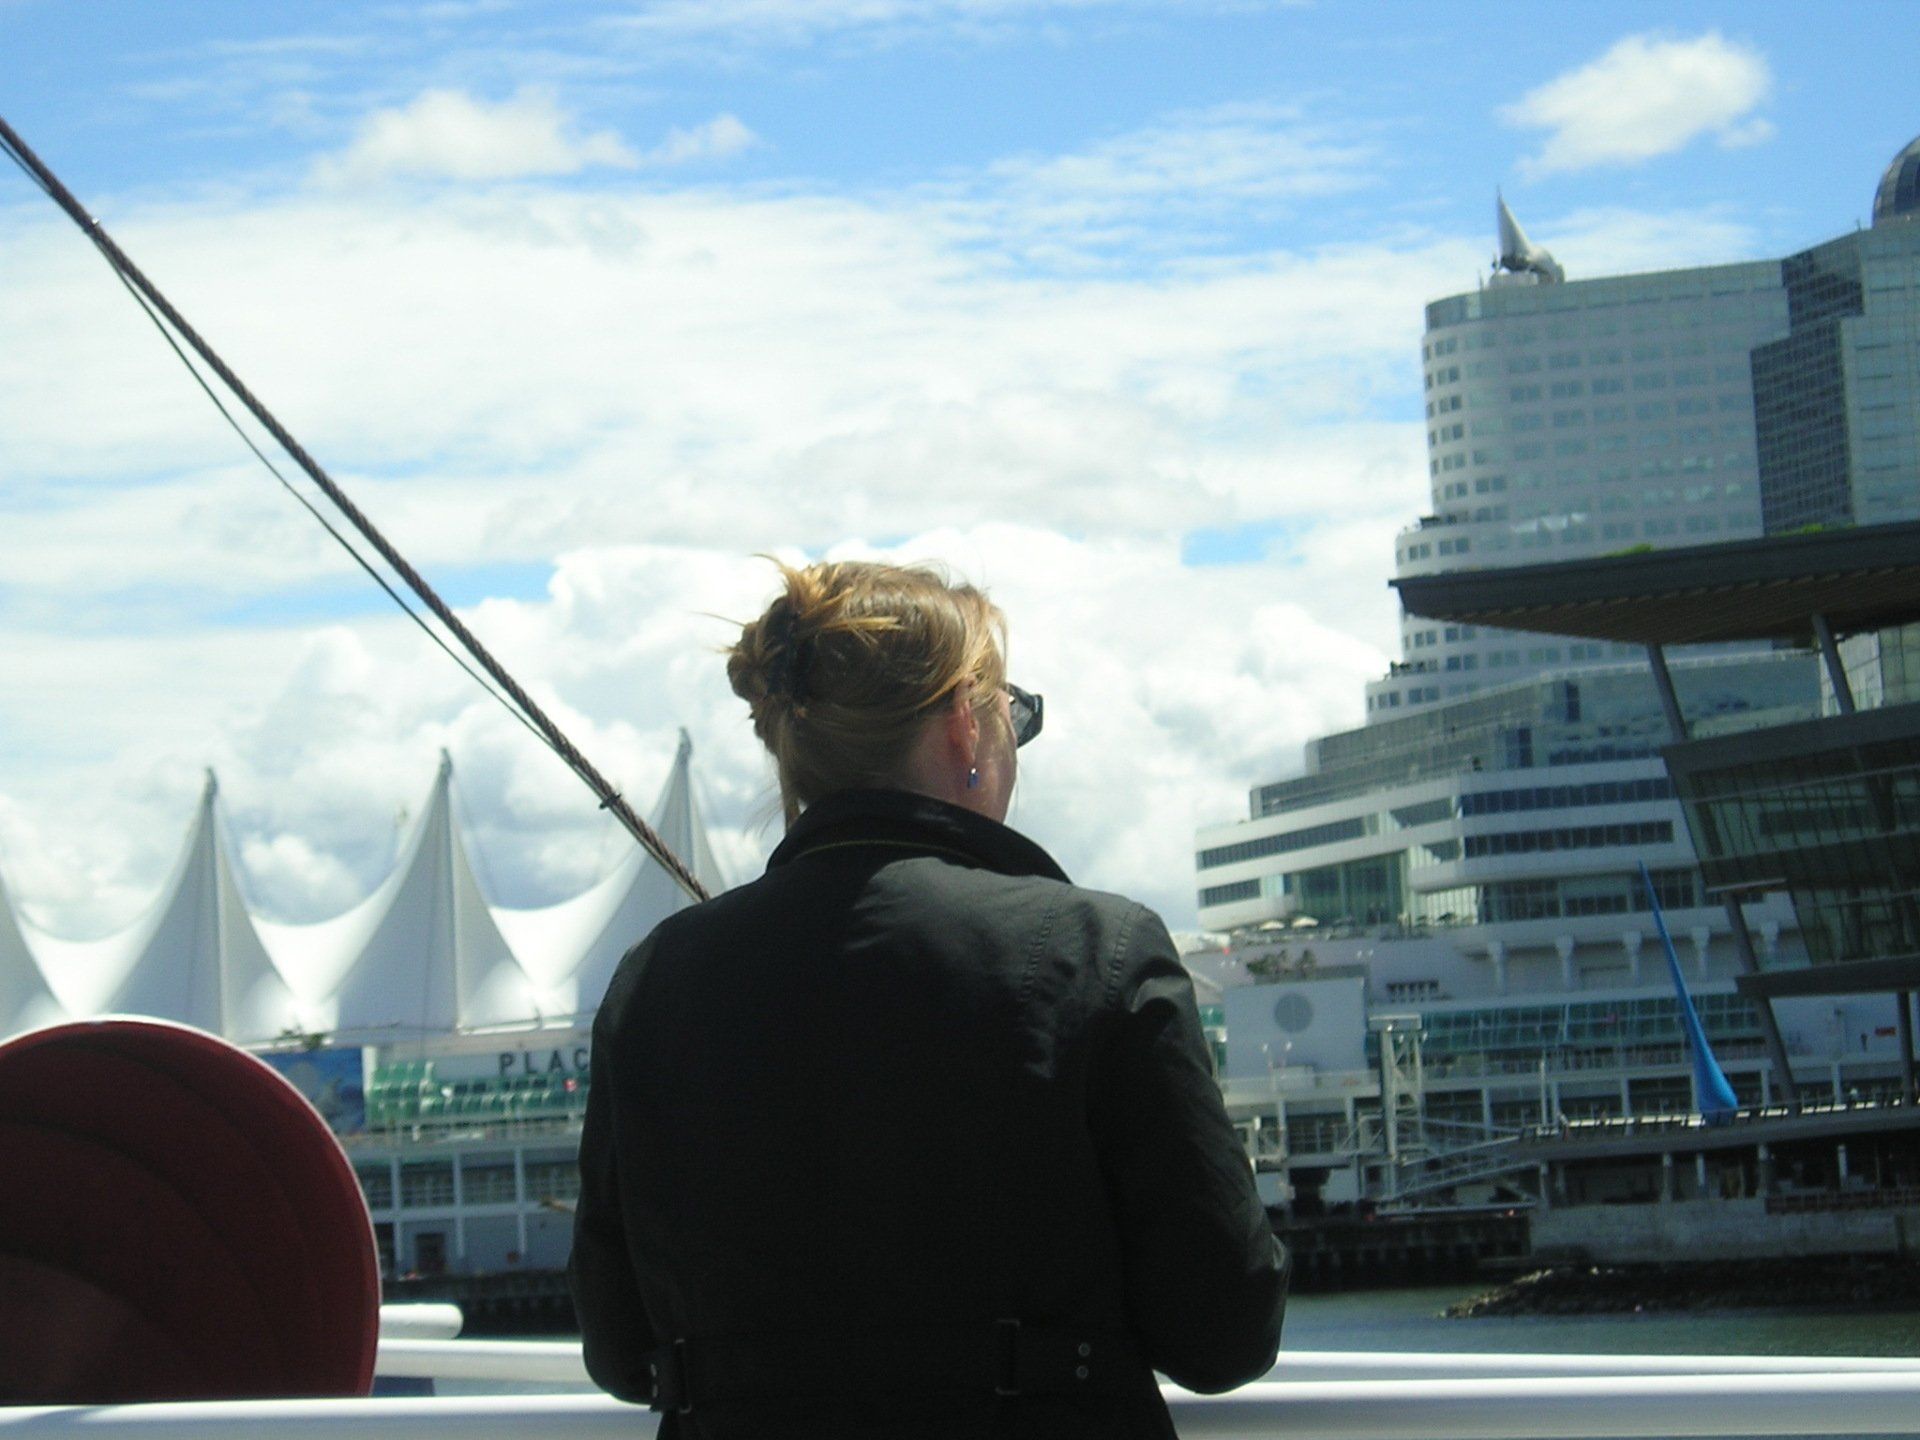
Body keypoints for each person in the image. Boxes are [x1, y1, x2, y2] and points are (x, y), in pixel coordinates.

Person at [570, 559, 1288, 1438]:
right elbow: (1225, 1331)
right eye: (1014, 713)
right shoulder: (1098, 952)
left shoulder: (654, 979)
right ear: (964, 728)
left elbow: (619, 1349)